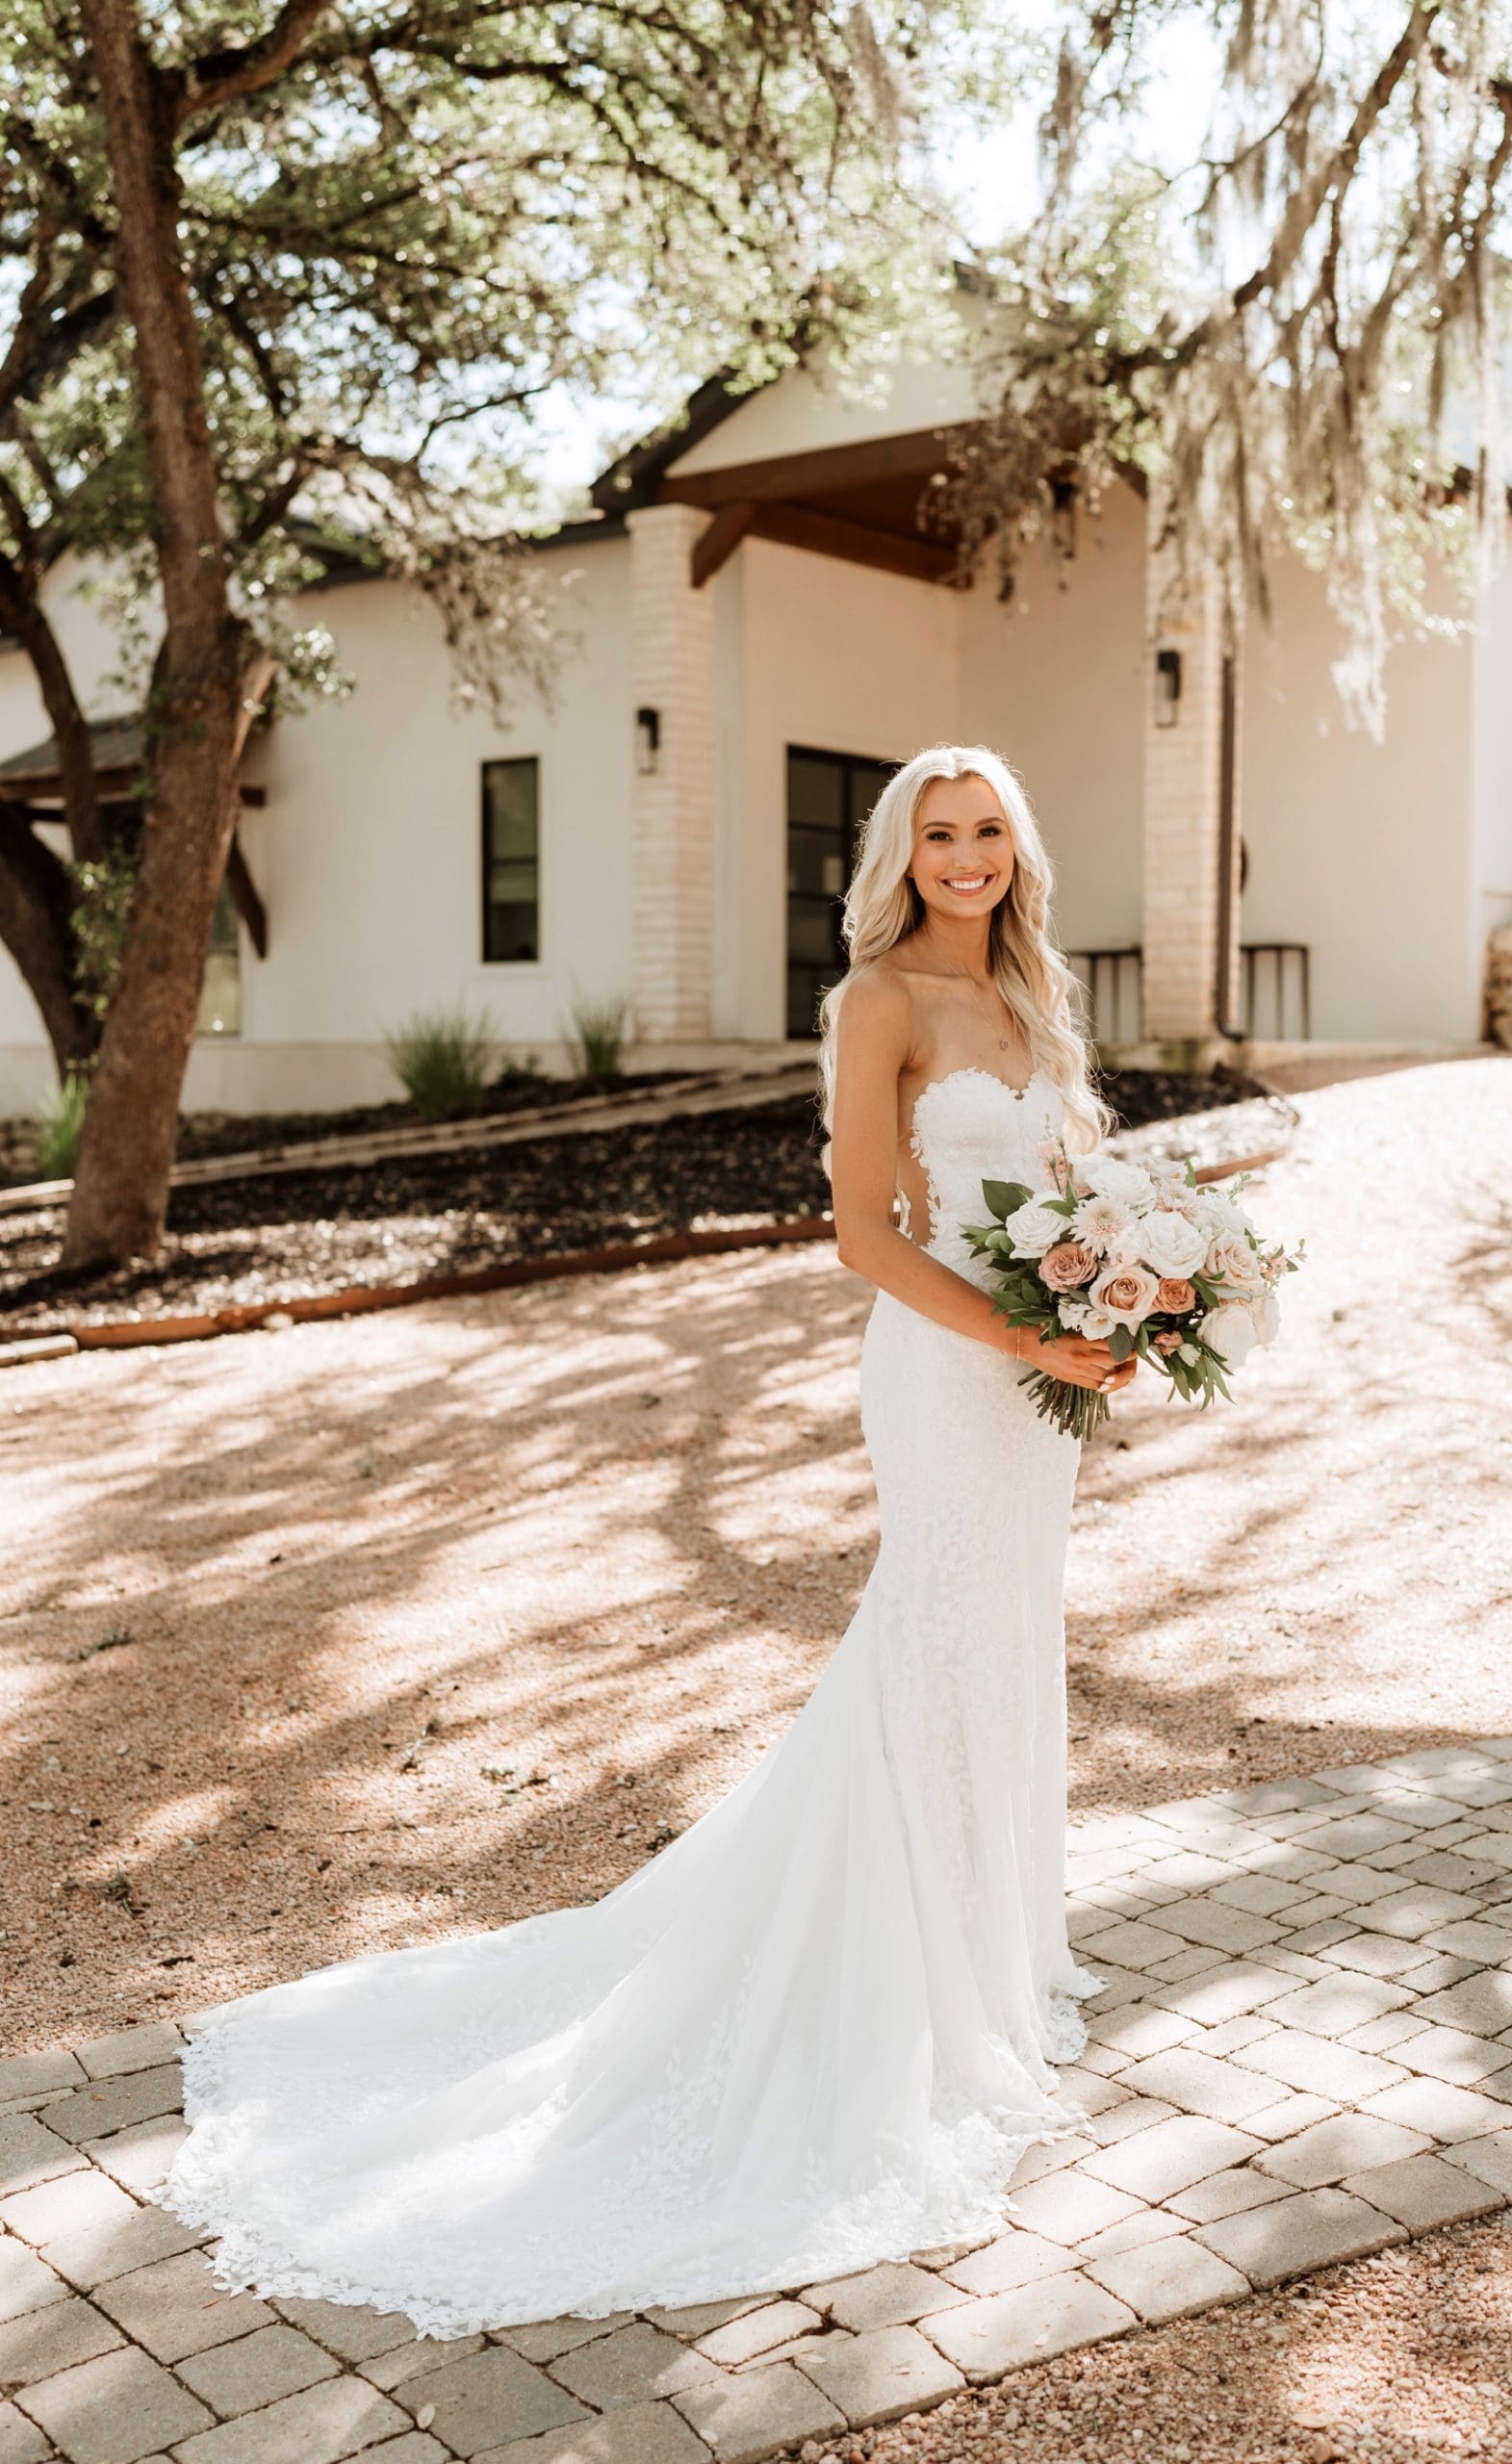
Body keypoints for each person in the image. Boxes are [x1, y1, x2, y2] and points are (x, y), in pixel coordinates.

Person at [162, 743, 1136, 2339]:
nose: (966, 856)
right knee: (934, 1636)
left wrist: (1129, 1290)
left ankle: (985, 1961)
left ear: (1020, 853)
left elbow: (1065, 1191)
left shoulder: (1036, 998)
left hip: (1038, 1384)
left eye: (988, 833)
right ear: (904, 853)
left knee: (1008, 1641)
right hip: (947, 1374)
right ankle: (892, 1999)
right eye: (939, 833)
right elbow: (861, 1236)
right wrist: (1027, 1341)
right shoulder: (880, 1001)